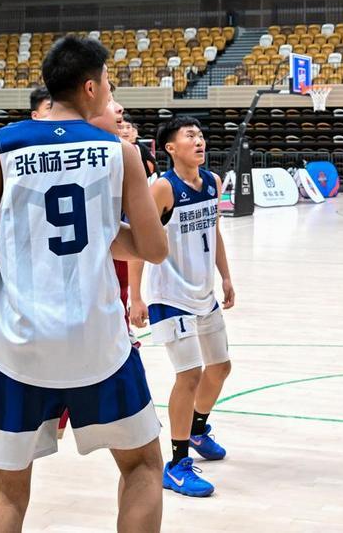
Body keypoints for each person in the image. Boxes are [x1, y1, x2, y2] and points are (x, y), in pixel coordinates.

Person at [0, 35, 169, 533]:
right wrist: (98, 235)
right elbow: (153, 248)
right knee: (141, 467)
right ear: (90, 88)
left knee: (5, 492)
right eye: (109, 83)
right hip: (97, 342)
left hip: (17, 341)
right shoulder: (120, 152)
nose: (111, 92)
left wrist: (19, 260)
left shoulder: (4, 143)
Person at [129, 117, 235, 499]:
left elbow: (214, 231)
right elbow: (139, 241)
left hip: (204, 293)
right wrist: (135, 296)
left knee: (220, 368)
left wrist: (225, 276)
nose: (199, 140)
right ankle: (175, 465)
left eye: (201, 135)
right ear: (171, 147)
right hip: (169, 297)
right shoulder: (162, 188)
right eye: (190, 136)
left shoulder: (212, 182)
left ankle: (197, 429)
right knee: (189, 375)